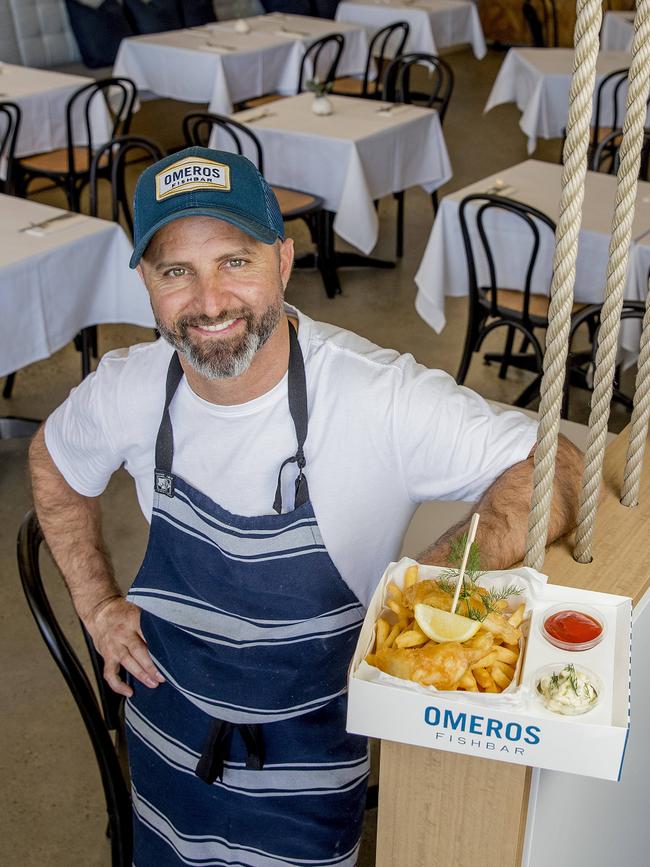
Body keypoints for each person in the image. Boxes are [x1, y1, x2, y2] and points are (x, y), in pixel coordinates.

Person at [29, 146, 583, 867]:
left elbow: (555, 462)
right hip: (165, 732)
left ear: (284, 262)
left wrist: (440, 582)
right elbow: (51, 461)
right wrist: (99, 604)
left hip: (309, 764)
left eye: (235, 260)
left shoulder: (374, 396)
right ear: (145, 281)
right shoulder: (129, 388)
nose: (210, 301)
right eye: (176, 271)